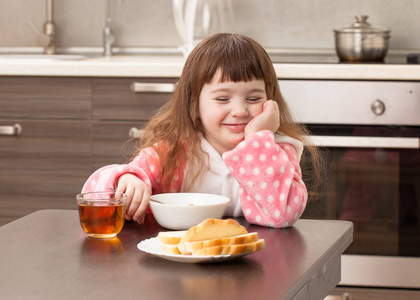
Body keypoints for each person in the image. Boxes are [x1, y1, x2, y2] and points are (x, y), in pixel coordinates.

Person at [81, 33, 322, 227]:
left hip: (251, 268)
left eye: (253, 98)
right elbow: (94, 194)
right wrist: (126, 179)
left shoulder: (277, 152)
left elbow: (282, 215)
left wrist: (258, 139)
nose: (239, 111)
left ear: (270, 102)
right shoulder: (172, 153)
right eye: (222, 99)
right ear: (194, 106)